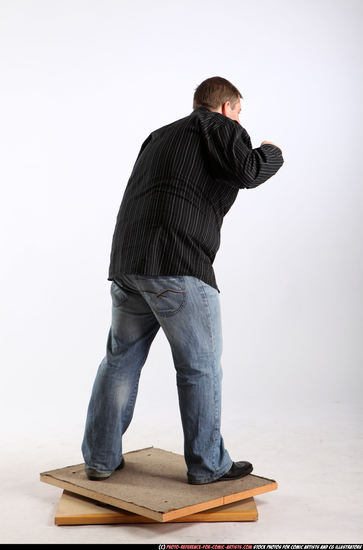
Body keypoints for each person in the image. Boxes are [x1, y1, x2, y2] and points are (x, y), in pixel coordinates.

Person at [81, 76, 284, 485]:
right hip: (178, 263)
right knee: (200, 368)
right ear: (226, 107)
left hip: (129, 262)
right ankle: (209, 465)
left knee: (120, 362)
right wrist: (271, 151)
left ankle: (101, 460)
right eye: (239, 111)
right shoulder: (218, 126)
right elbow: (249, 170)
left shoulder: (159, 135)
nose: (239, 118)